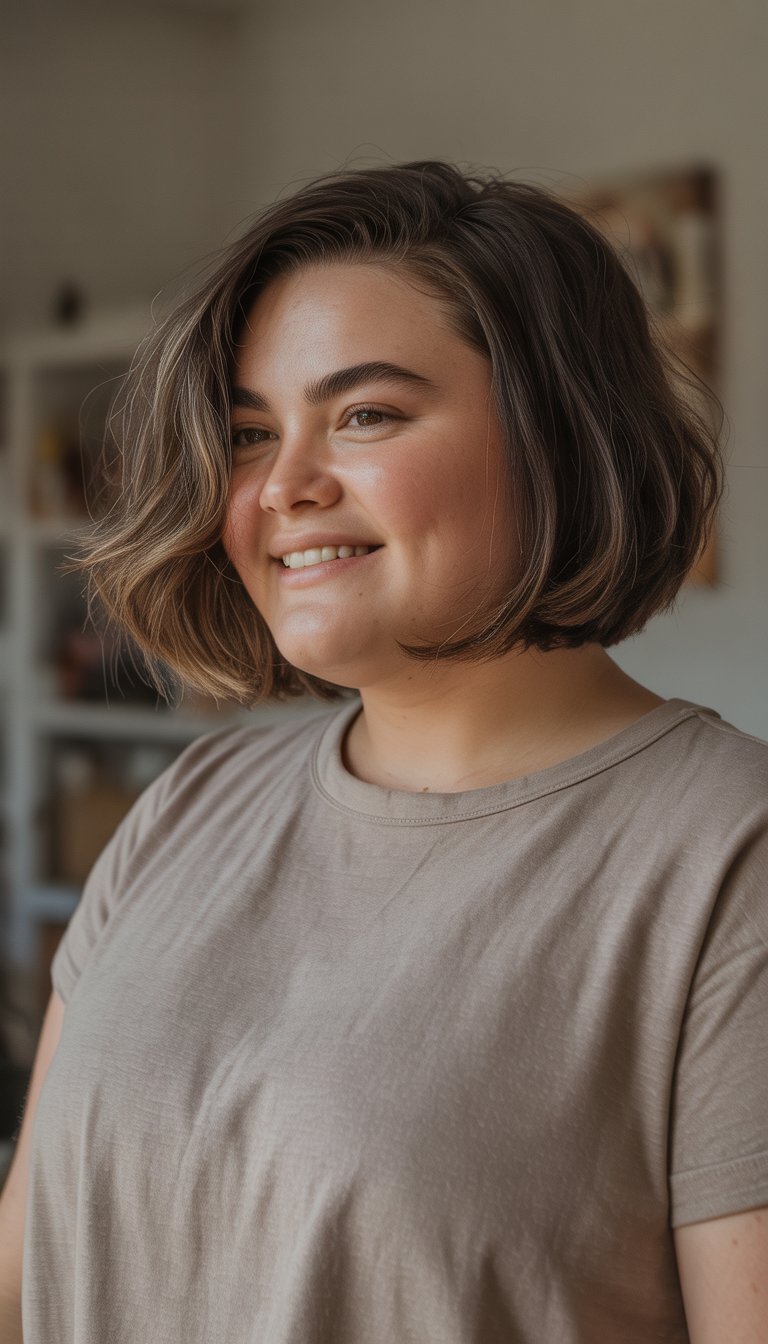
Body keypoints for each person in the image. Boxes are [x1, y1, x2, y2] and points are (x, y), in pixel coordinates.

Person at [1, 161, 766, 1344]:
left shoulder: (730, 863)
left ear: (558, 431)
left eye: (366, 414)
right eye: (252, 434)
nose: (282, 488)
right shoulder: (190, 805)